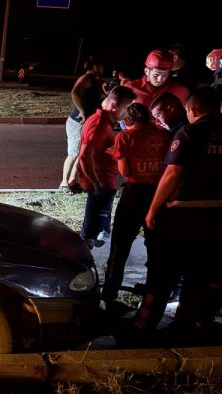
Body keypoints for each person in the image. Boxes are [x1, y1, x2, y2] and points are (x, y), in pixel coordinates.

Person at [135, 88, 222, 338]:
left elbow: (173, 173)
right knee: (201, 273)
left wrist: (152, 209)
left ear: (193, 110)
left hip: (184, 214)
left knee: (165, 271)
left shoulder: (189, 132)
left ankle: (146, 325)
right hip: (217, 216)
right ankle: (187, 323)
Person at [101, 103, 172, 313]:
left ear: (129, 120)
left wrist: (117, 155)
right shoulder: (164, 136)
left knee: (120, 247)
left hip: (133, 194)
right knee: (156, 247)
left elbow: (125, 169)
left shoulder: (124, 138)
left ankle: (110, 294)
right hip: (157, 195)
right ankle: (152, 292)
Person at [77, 86, 137, 249]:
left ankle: (99, 236)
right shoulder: (99, 125)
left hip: (106, 183)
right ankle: (85, 260)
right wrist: (96, 182)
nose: (128, 112)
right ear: (114, 106)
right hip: (101, 184)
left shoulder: (104, 121)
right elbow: (84, 155)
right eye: (126, 108)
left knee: (99, 223)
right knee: (90, 231)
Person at [61, 58, 105, 193]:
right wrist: (81, 111)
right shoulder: (86, 78)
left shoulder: (95, 80)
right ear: (95, 66)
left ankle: (72, 182)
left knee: (81, 154)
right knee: (73, 154)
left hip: (87, 122)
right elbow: (74, 92)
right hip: (77, 122)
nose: (103, 68)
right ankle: (63, 183)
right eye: (101, 65)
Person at [124, 49, 189, 107]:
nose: (160, 79)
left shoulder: (180, 91)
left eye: (165, 75)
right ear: (146, 71)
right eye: (156, 75)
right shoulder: (130, 88)